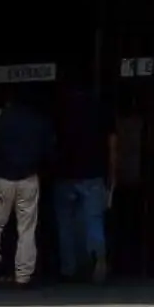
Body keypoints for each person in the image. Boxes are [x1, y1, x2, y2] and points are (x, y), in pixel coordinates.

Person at [0, 93, 56, 288]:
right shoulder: (39, 121)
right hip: (28, 177)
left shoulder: (3, 118)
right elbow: (48, 150)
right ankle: (23, 275)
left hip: (4, 177)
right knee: (26, 228)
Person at [51, 85, 118, 283]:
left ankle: (69, 269)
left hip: (65, 173)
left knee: (65, 225)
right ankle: (98, 259)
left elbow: (52, 142)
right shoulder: (102, 111)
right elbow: (112, 147)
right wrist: (112, 177)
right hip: (93, 174)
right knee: (94, 221)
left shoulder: (61, 111)